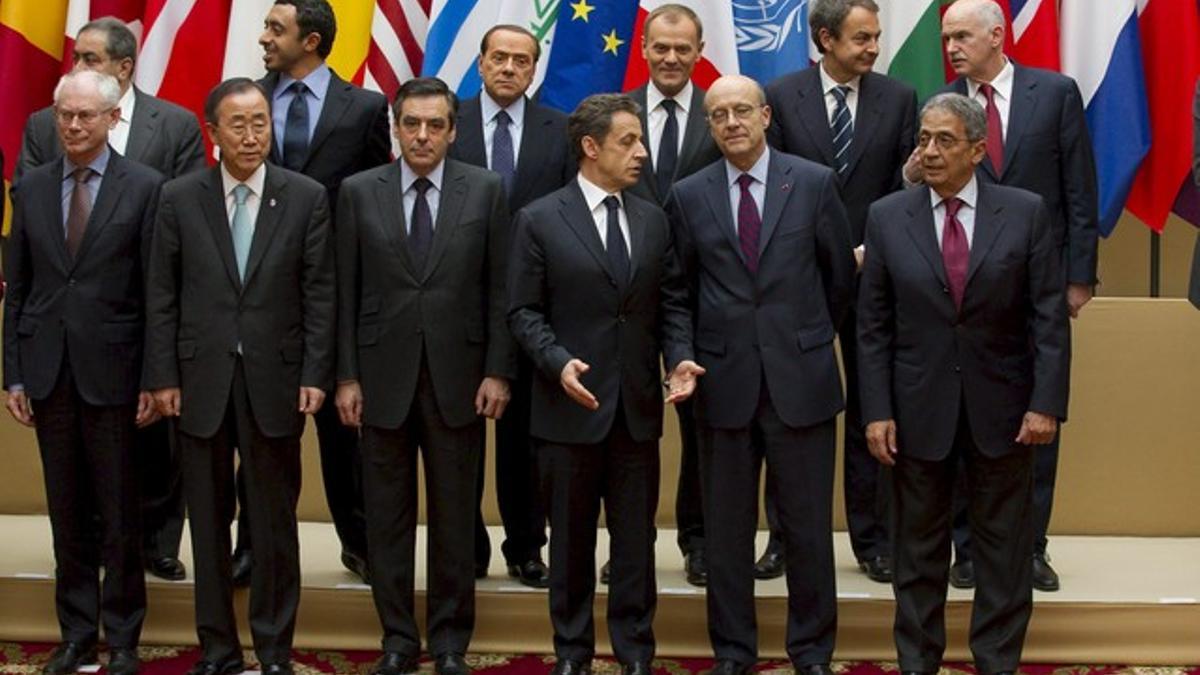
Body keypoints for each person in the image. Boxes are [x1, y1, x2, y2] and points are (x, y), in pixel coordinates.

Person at [858, 92, 1070, 675]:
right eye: (923, 139)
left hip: (1004, 415)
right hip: (915, 414)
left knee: (1003, 555)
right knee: (918, 555)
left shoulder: (1025, 212)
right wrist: (875, 410)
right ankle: (917, 662)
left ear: (978, 149)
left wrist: (1045, 404)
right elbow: (871, 328)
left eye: (944, 141)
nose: (929, 151)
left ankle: (996, 662)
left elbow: (1046, 319)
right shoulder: (886, 216)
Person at [144, 77, 335, 675]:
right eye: (239, 125)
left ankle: (275, 649)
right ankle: (218, 649)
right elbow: (162, 296)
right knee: (206, 522)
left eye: (261, 123)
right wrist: (163, 375)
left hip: (276, 383)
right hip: (199, 383)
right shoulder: (179, 197)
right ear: (213, 133)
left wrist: (315, 372)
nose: (252, 136)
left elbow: (320, 294)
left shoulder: (304, 196)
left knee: (275, 523)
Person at [508, 93, 701, 675]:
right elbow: (521, 311)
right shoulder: (539, 218)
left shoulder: (652, 217)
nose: (642, 152)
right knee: (569, 545)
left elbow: (671, 302)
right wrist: (557, 362)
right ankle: (572, 653)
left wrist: (681, 358)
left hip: (637, 411)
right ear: (591, 148)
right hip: (568, 411)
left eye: (640, 140)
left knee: (636, 544)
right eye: (628, 142)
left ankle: (635, 652)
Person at [669, 75, 856, 675]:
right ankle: (732, 651)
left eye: (741, 110)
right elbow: (677, 292)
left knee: (805, 529)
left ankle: (812, 651)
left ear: (766, 115)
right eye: (718, 114)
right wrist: (680, 355)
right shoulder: (688, 194)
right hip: (721, 382)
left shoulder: (814, 183)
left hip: (800, 380)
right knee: (725, 533)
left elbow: (839, 281)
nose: (731, 122)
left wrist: (803, 335)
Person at [909, 0, 1097, 592]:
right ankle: (968, 548)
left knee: (1037, 413)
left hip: (1038, 284)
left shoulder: (1056, 92)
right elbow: (921, 191)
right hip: (965, 289)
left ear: (998, 35)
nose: (952, 46)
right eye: (946, 37)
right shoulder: (939, 106)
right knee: (966, 415)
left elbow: (1079, 186)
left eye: (962, 35)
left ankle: (1030, 546)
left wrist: (1079, 275)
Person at [334, 76, 514, 675]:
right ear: (395, 125)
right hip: (380, 381)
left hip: (460, 381)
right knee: (386, 519)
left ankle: (450, 641)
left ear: (453, 131)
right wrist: (346, 376)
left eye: (435, 125)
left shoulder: (485, 189)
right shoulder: (360, 192)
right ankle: (397, 639)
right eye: (411, 123)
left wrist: (497, 371)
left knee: (455, 517)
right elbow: (344, 292)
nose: (422, 135)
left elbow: (499, 291)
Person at [16, 16, 206, 583]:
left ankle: (157, 544)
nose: (79, 67)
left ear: (123, 73)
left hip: (134, 328)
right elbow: (31, 237)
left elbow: (180, 225)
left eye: (91, 59)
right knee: (73, 487)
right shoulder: (42, 135)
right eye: (76, 57)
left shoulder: (171, 126)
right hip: (58, 347)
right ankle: (83, 592)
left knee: (147, 463)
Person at [4, 70, 163, 675]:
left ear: (112, 119)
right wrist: (13, 375)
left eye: (85, 117)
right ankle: (75, 632)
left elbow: (156, 293)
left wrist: (155, 377)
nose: (72, 126)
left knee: (120, 512)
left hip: (118, 374)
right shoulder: (34, 186)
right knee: (65, 509)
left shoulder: (145, 187)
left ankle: (122, 636)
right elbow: (18, 288)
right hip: (48, 373)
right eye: (63, 115)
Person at [229, 0, 391, 587]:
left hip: (340, 294)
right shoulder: (247, 100)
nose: (265, 37)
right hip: (262, 293)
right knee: (261, 434)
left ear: (313, 40)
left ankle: (363, 543)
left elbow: (378, 196)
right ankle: (253, 547)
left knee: (345, 431)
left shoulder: (368, 107)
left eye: (277, 28)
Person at [762, 0, 917, 584]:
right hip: (796, 281)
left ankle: (871, 539)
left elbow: (905, 190)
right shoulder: (780, 94)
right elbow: (771, 184)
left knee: (871, 409)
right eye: (861, 37)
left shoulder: (898, 98)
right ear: (825, 38)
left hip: (875, 276)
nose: (873, 47)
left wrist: (873, 248)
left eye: (875, 36)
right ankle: (783, 537)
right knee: (787, 410)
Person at [448, 23, 574, 588]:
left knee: (524, 441)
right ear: (480, 63)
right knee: (459, 437)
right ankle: (466, 546)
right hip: (457, 303)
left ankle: (526, 547)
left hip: (532, 305)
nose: (508, 68)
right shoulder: (448, 124)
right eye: (498, 58)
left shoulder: (560, 129)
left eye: (521, 61)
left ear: (533, 70)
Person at [616, 3, 721, 589]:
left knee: (704, 428)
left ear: (699, 51)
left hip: (703, 296)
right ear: (646, 49)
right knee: (624, 430)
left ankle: (698, 540)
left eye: (684, 48)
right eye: (661, 47)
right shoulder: (617, 112)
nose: (672, 58)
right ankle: (628, 545)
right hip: (622, 297)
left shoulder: (721, 113)